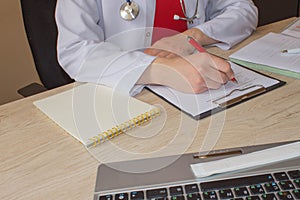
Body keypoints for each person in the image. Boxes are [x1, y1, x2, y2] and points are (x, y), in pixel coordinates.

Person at [55, 0, 258, 96]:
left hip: (196, 85)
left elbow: (243, 10)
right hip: (122, 92)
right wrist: (159, 70)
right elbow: (75, 50)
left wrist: (191, 37)